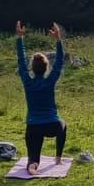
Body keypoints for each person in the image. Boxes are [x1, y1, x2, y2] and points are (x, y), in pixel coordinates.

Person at [15, 21, 68, 174]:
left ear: (32, 68)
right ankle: (58, 158)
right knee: (63, 124)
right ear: (46, 68)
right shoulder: (50, 81)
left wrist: (20, 39)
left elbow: (21, 61)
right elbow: (59, 62)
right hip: (53, 125)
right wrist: (58, 40)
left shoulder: (27, 82)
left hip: (34, 126)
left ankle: (33, 166)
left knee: (33, 158)